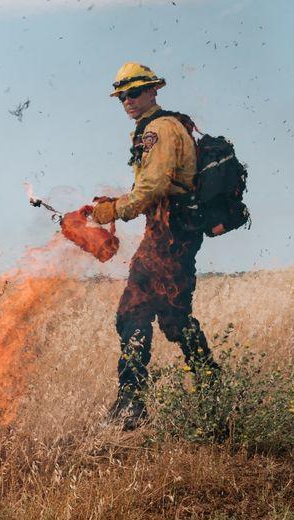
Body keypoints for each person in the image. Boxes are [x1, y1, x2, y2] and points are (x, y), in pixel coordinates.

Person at [91, 62, 220, 430]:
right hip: (174, 232)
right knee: (174, 317)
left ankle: (131, 404)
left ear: (152, 91)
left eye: (134, 93)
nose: (127, 101)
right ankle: (213, 389)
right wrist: (116, 203)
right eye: (121, 97)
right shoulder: (159, 127)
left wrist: (115, 210)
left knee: (131, 312)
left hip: (170, 234)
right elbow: (153, 185)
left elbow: (154, 187)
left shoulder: (159, 130)